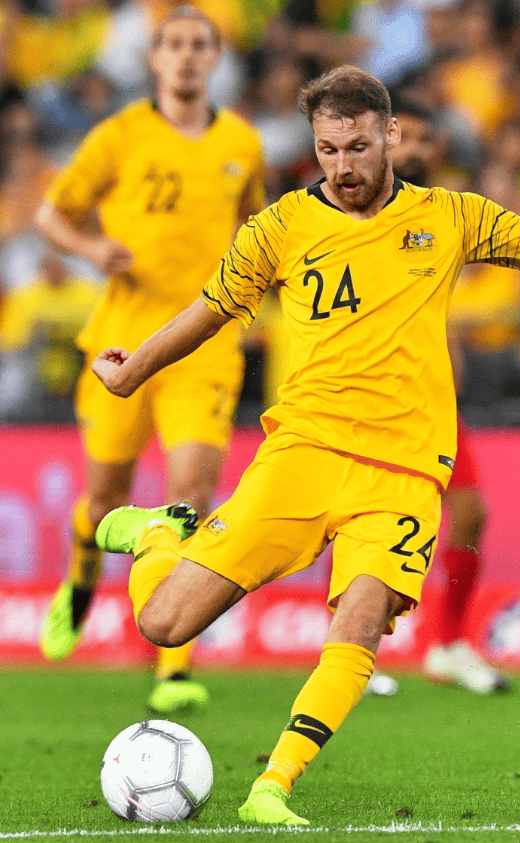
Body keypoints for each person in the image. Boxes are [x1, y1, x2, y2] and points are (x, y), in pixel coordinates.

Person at [84, 65, 520, 826]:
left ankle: (271, 785)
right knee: (163, 624)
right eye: (326, 151)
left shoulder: (450, 217)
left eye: (355, 146)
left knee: (361, 621)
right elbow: (210, 311)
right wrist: (131, 370)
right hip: (303, 453)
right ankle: (156, 534)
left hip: (403, 472)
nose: (342, 166)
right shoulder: (279, 227)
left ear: (391, 136)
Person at [34, 6, 265, 716]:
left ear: (215, 58)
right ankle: (80, 574)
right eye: (175, 46)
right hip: (122, 345)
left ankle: (174, 662)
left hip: (205, 347)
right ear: (155, 59)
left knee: (191, 495)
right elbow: (52, 214)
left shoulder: (241, 143)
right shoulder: (121, 135)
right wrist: (93, 250)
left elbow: (257, 227)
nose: (188, 57)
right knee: (106, 500)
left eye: (201, 45)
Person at [390, 96, 507, 694]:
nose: (412, 149)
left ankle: (448, 644)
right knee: (354, 520)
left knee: (470, 514)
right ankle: (348, 646)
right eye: (401, 136)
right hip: (367, 393)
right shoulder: (350, 209)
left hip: (432, 397)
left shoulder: (446, 213)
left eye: (423, 138)